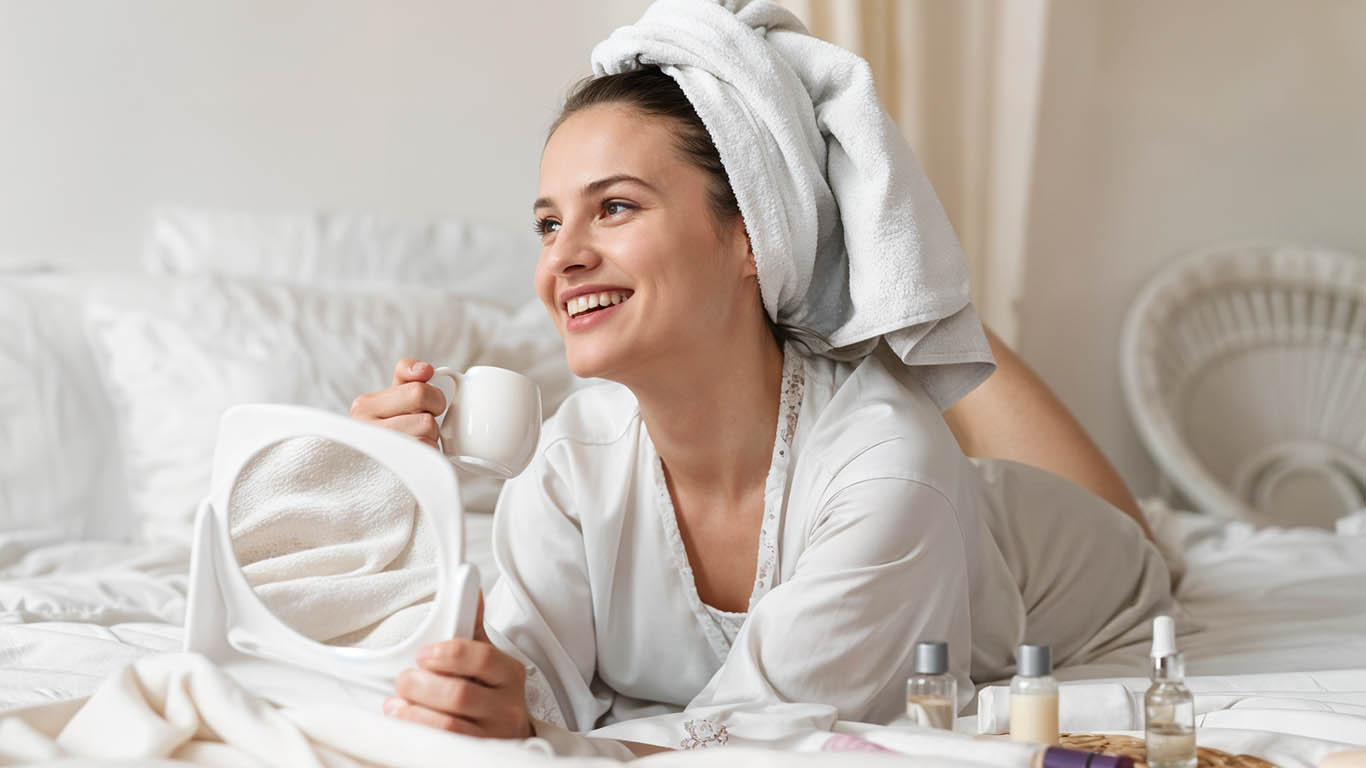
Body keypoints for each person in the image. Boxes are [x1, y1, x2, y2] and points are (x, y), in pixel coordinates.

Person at [348, 3, 1170, 755]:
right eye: (549, 223)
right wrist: (398, 514)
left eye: (616, 207)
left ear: (752, 238)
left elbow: (761, 743)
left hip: (1067, 556)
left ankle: (894, 322)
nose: (562, 257)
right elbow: (523, 696)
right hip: (918, 485)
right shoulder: (567, 465)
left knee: (1132, 538)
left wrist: (545, 737)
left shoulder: (892, 476)